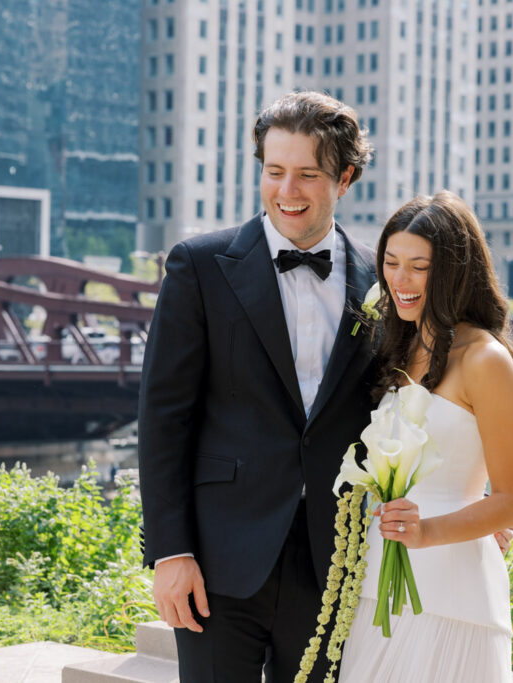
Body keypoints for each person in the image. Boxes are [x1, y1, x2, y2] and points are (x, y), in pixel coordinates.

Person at [137, 91, 377, 683]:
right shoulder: (199, 265)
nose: (286, 192)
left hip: (335, 562)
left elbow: (405, 404)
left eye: (307, 175)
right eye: (274, 172)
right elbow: (164, 418)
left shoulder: (380, 280)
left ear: (344, 178)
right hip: (219, 561)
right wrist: (171, 553)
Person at [338, 191, 513, 683]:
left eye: (419, 267)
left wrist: (427, 532)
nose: (399, 281)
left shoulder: (486, 362)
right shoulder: (395, 346)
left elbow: (512, 502)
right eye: (391, 263)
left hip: (456, 595)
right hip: (378, 585)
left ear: (454, 272)